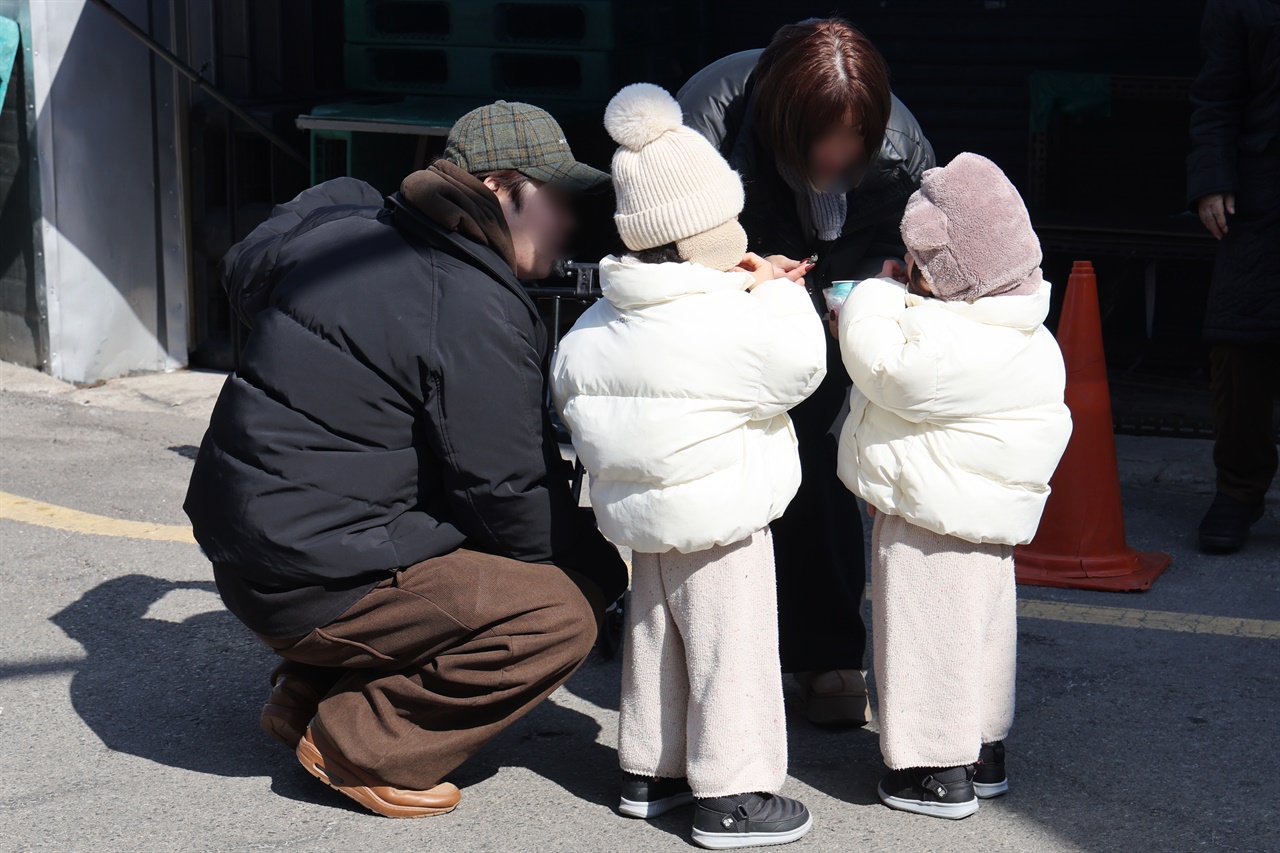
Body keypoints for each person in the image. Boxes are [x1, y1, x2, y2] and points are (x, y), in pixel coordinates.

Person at [183, 101, 627, 818]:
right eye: (556, 200)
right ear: (499, 188)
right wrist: (600, 566)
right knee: (561, 610)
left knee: (444, 522)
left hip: (249, 556)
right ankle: (360, 739)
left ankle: (307, 688)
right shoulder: (470, 299)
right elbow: (508, 498)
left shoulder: (356, 236)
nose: (570, 221)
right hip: (312, 579)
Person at [552, 84, 827, 849]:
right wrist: (773, 294)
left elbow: (573, 393)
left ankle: (651, 771)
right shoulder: (734, 317)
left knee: (656, 636)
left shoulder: (599, 318)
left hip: (644, 522)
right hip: (724, 519)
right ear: (706, 229)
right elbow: (800, 369)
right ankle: (734, 792)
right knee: (728, 649)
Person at [677, 17, 935, 724]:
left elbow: (913, 246)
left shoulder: (901, 147)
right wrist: (742, 272)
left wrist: (884, 285)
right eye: (825, 138)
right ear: (786, 122)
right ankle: (732, 663)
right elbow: (659, 240)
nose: (841, 153)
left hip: (829, 316)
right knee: (731, 474)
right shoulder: (709, 119)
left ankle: (828, 653)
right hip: (730, 309)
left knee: (821, 460)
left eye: (857, 139)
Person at [834, 153, 1072, 819]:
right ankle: (982, 748)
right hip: (987, 514)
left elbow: (885, 365)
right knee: (983, 630)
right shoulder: (1026, 332)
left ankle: (933, 768)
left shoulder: (946, 341)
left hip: (928, 510)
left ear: (954, 270)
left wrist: (871, 296)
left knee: (925, 628)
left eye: (918, 262)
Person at [1187, 0, 1280, 554]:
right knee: (1241, 344)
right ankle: (1238, 491)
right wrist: (1212, 177)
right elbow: (1217, 93)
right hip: (1264, 191)